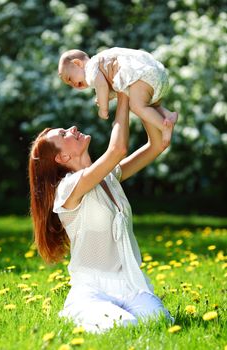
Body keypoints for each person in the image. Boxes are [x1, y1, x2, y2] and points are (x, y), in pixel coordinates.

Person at [29, 63, 174, 333]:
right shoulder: (67, 190)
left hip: (129, 284)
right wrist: (123, 94)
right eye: (63, 135)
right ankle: (76, 311)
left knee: (158, 323)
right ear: (62, 158)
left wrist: (142, 100)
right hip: (92, 289)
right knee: (125, 326)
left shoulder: (108, 177)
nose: (71, 128)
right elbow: (117, 148)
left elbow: (158, 145)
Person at [58, 47, 178, 148]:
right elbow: (114, 86)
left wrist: (103, 108)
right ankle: (168, 115)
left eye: (70, 79)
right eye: (69, 84)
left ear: (78, 63)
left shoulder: (90, 69)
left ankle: (164, 127)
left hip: (143, 75)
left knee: (137, 106)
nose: (73, 85)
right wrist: (107, 96)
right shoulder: (100, 66)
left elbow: (102, 86)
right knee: (148, 105)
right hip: (153, 74)